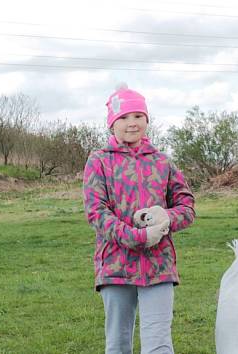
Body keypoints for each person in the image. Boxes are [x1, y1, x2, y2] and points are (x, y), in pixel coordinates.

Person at [83, 84, 195, 353]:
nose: (131, 123)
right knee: (118, 344)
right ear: (112, 123)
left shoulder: (162, 162)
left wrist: (166, 217)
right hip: (115, 265)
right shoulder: (99, 160)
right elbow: (97, 213)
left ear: (146, 119)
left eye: (137, 116)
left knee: (159, 344)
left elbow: (187, 207)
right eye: (123, 117)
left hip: (159, 266)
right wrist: (137, 237)